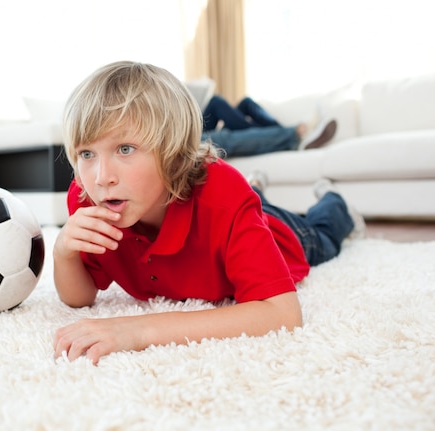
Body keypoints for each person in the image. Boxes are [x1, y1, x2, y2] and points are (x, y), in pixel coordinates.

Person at [52, 61, 365, 365]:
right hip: (237, 205)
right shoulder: (87, 198)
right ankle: (257, 187)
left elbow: (282, 313)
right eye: (87, 154)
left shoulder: (223, 196)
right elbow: (80, 298)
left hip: (281, 233)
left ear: (174, 156)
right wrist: (63, 251)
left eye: (125, 149)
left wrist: (137, 329)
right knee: (250, 198)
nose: (101, 176)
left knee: (322, 231)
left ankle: (333, 198)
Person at [200, 94, 338, 157]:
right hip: (192, 142)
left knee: (239, 103)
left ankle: (282, 132)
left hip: (193, 132)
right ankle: (296, 135)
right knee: (223, 138)